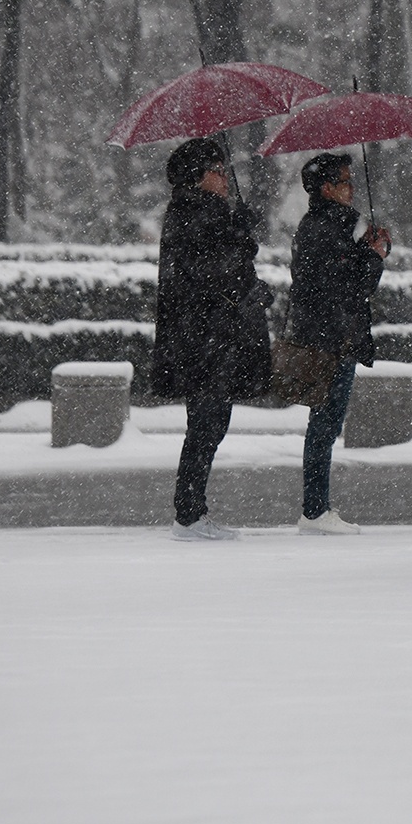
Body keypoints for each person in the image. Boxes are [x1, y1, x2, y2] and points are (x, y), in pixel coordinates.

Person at [150, 138, 272, 541]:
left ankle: (193, 510)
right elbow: (213, 276)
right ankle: (188, 515)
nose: (224, 178)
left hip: (211, 338)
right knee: (205, 426)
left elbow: (226, 271)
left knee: (211, 425)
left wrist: (239, 233)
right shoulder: (193, 215)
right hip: (203, 341)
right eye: (216, 171)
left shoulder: (206, 214)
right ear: (196, 177)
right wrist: (240, 234)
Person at [285, 153, 389, 535]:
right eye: (345, 181)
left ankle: (316, 507)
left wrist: (369, 252)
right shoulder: (329, 228)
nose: (352, 188)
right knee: (325, 425)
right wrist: (374, 257)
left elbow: (339, 279)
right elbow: (348, 287)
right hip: (332, 339)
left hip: (327, 335)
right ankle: (315, 509)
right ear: (327, 188)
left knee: (324, 423)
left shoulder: (322, 226)